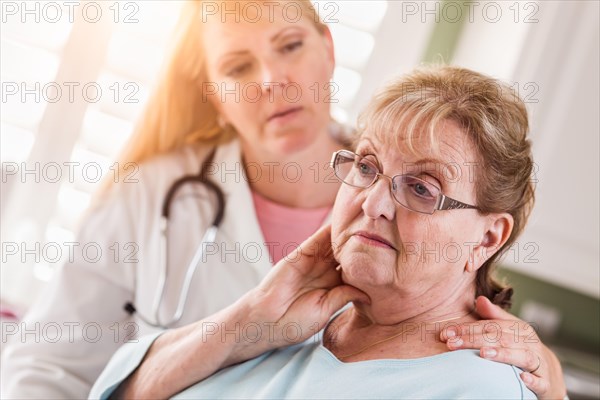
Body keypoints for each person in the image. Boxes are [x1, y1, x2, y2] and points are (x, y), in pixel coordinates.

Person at [1, 1, 565, 399]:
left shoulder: (458, 354)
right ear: (214, 94)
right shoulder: (152, 194)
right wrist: (248, 322)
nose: (271, 80)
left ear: (327, 50)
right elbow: (53, 369)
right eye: (237, 66)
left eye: (289, 46)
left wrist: (548, 381)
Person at [91, 65, 545, 399]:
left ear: (487, 238)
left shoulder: (479, 387)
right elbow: (119, 392)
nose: (373, 203)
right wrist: (247, 321)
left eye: (423, 189)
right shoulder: (292, 319)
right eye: (366, 167)